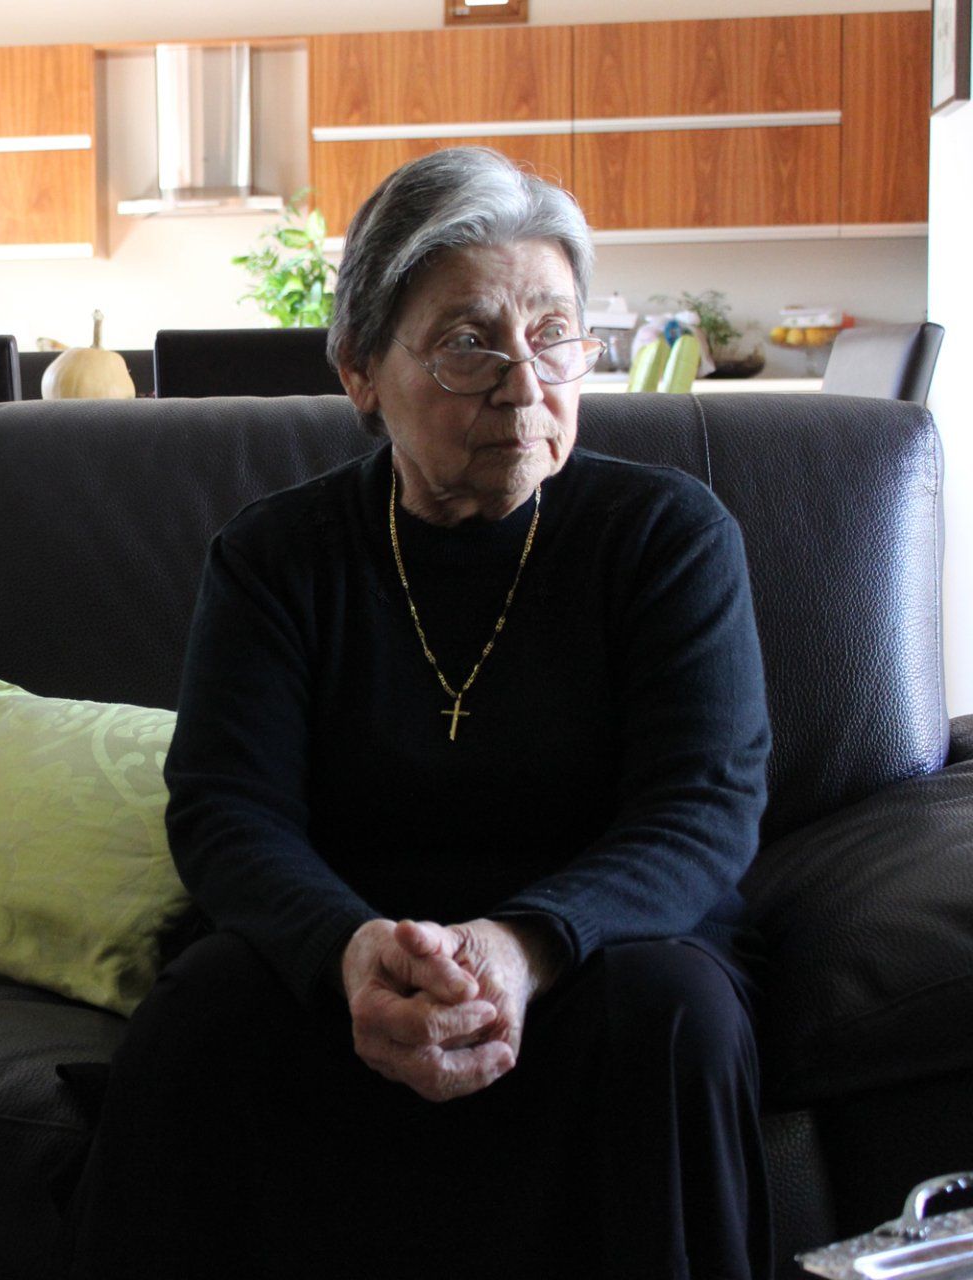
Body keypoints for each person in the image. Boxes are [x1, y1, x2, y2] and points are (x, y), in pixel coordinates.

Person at [67, 147, 772, 1279]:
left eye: (554, 334)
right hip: (350, 947)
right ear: (361, 370)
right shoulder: (276, 556)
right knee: (204, 1009)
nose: (524, 384)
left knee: (674, 1010)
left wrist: (524, 946)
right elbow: (225, 811)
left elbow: (705, 806)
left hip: (598, 950)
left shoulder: (667, 537)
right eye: (468, 343)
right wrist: (348, 950)